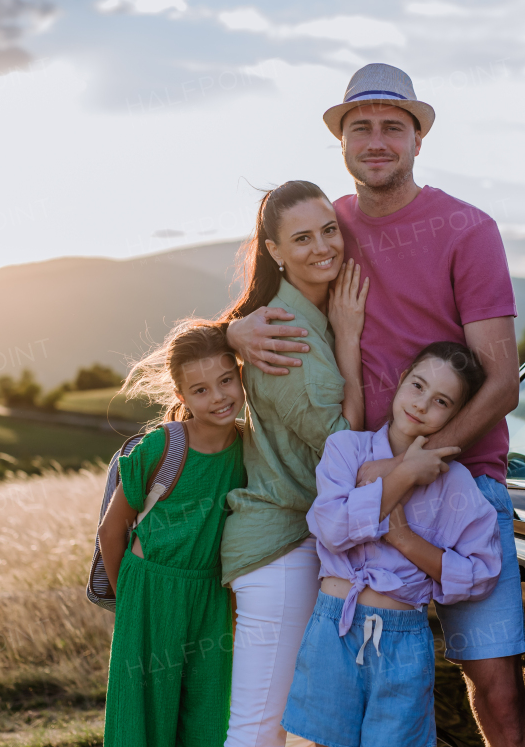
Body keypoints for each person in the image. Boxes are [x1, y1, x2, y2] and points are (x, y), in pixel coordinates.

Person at [227, 65, 525, 747]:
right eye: (359, 126)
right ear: (341, 141)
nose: (376, 140)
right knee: (354, 696)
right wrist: (229, 331)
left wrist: (422, 463)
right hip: (357, 484)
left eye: (392, 126)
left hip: (461, 483)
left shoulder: (467, 227)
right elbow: (271, 275)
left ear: (418, 139)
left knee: (494, 686)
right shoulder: (331, 224)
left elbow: (502, 380)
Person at [219, 180, 414, 747]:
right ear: (274, 250)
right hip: (279, 546)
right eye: (301, 238)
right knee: (258, 728)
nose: (323, 246)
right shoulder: (286, 331)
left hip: (301, 544)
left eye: (329, 230)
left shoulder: (307, 313)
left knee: (290, 729)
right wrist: (349, 340)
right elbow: (341, 448)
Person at [282, 342, 503, 747]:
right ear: (401, 380)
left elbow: (481, 574)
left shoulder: (455, 485)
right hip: (334, 628)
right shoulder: (346, 450)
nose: (421, 404)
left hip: (403, 640)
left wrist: (403, 539)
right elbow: (331, 529)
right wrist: (403, 475)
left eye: (441, 401)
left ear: (455, 415)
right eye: (417, 385)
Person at [97, 320, 248, 747]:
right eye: (200, 390)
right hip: (149, 590)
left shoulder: (249, 448)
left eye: (225, 381)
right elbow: (112, 530)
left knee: (207, 717)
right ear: (181, 396)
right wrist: (128, 601)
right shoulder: (163, 446)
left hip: (210, 596)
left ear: (241, 375)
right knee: (144, 722)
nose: (218, 397)